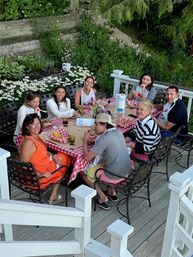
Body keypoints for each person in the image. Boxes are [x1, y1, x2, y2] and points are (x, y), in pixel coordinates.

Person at [81, 113, 130, 210]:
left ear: (105, 125)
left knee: (82, 172)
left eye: (96, 124)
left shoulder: (104, 139)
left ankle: (102, 197)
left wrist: (85, 140)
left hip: (114, 174)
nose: (94, 127)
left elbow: (86, 157)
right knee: (110, 160)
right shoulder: (118, 131)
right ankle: (112, 191)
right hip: (125, 171)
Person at [19, 113, 71, 204]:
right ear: (27, 126)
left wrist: (54, 156)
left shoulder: (35, 136)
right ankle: (53, 195)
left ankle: (53, 194)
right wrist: (39, 174)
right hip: (37, 178)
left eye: (38, 123)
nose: (37, 126)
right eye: (33, 124)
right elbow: (23, 164)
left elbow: (43, 149)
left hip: (44, 165)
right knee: (65, 162)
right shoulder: (29, 143)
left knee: (62, 156)